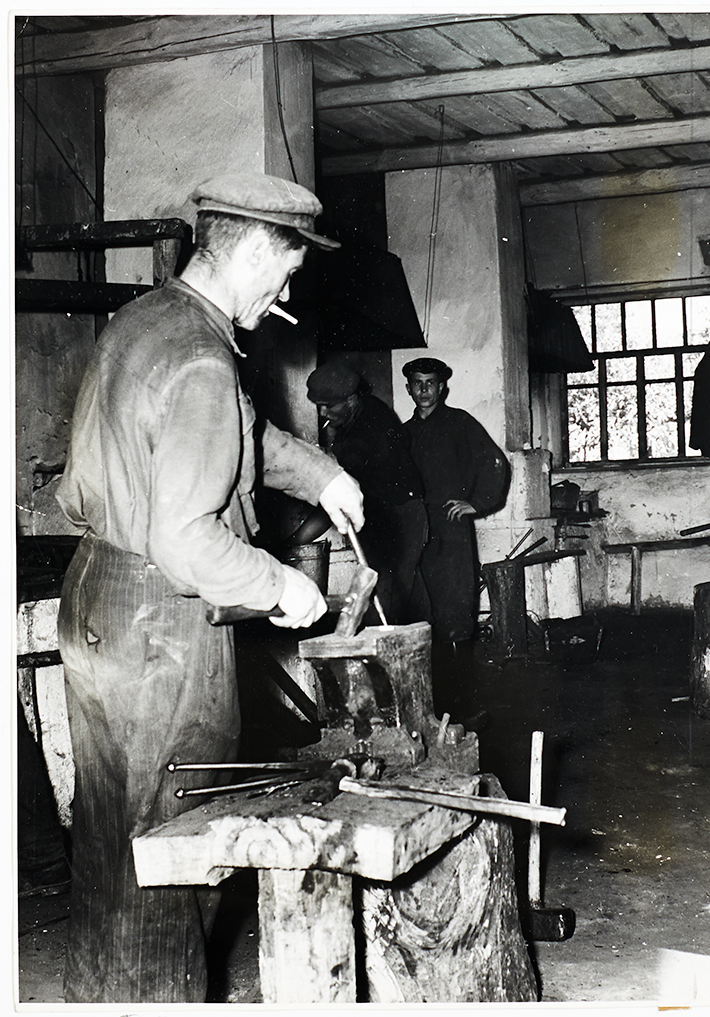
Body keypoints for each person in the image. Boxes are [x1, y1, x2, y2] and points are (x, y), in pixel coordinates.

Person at [55, 172, 364, 1004]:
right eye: (287, 271)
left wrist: (321, 473)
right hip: (163, 623)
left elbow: (241, 435)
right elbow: (187, 534)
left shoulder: (150, 320)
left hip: (97, 598)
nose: (286, 292)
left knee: (112, 834)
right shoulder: (202, 353)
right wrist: (280, 588)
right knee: (175, 848)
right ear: (257, 248)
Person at [301, 360, 429, 625]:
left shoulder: (368, 430)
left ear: (350, 399)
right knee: (408, 590)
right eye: (319, 405)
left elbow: (334, 495)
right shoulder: (365, 409)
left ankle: (384, 661)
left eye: (330, 405)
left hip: (401, 517)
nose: (323, 412)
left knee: (385, 595)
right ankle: (437, 656)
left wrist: (298, 540)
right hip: (394, 513)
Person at [402, 357, 509, 645]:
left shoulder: (460, 423)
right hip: (415, 527)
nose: (424, 390)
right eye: (417, 384)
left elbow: (495, 462)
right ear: (408, 389)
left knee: (456, 601)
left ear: (442, 388)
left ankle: (461, 675)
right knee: (419, 603)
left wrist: (477, 502)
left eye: (430, 383)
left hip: (450, 525)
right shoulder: (403, 433)